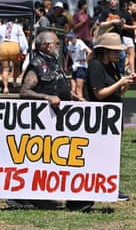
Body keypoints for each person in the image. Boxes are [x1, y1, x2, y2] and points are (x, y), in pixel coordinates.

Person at [11, 31, 89, 211]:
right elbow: (24, 92)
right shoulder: (36, 64)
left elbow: (60, 85)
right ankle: (23, 197)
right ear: (47, 45)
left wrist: (75, 97)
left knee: (67, 158)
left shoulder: (54, 62)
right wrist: (47, 97)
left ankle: (76, 199)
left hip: (60, 119)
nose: (58, 45)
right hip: (44, 122)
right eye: (56, 43)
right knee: (42, 160)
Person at [85, 32, 134, 202]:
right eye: (115, 51)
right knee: (100, 153)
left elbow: (117, 93)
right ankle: (100, 186)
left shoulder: (112, 66)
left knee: (113, 153)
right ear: (105, 50)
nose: (119, 54)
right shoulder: (95, 66)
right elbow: (99, 94)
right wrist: (120, 83)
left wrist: (126, 84)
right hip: (100, 116)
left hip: (114, 114)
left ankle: (110, 186)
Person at [0, 20, 28, 94]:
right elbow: (22, 39)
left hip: (3, 46)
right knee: (16, 65)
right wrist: (24, 50)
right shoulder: (18, 27)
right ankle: (14, 82)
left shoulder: (2, 27)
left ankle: (5, 88)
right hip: (14, 46)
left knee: (5, 69)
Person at [65, 32, 91, 100]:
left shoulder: (80, 43)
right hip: (75, 67)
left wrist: (85, 60)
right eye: (69, 38)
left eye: (71, 37)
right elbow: (69, 53)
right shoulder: (70, 44)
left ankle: (82, 104)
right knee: (73, 90)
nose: (70, 39)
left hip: (81, 67)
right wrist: (67, 64)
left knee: (79, 90)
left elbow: (90, 52)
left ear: (75, 36)